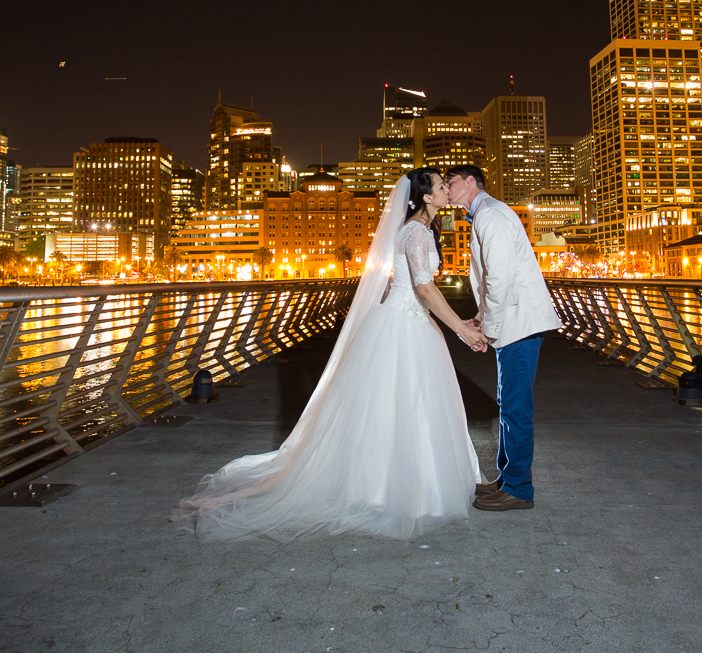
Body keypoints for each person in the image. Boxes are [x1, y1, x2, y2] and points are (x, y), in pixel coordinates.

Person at [172, 168, 491, 541]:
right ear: (425, 196)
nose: (445, 191)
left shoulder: (418, 230)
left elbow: (421, 288)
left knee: (399, 406)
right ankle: (404, 488)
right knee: (409, 404)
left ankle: (386, 484)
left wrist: (455, 323)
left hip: (409, 323)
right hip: (408, 324)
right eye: (440, 186)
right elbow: (424, 289)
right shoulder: (417, 232)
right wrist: (462, 329)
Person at [444, 164, 561, 512]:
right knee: (508, 401)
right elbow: (494, 279)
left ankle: (519, 489)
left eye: (450, 183)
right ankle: (508, 478)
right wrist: (482, 317)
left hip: (519, 324)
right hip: (513, 321)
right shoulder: (487, 214)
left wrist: (488, 330)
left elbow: (500, 277)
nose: (446, 190)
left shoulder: (491, 215)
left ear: (469, 183)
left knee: (516, 406)